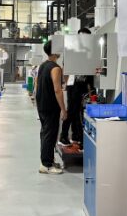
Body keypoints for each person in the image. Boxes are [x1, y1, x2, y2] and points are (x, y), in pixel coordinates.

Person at [35, 40, 67, 174]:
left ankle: (48, 160)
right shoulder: (55, 68)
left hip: (42, 104)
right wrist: (63, 109)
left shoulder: (43, 65)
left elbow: (37, 83)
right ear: (54, 51)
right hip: (51, 106)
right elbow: (57, 90)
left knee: (46, 133)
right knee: (50, 134)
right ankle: (46, 165)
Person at [59, 27, 94, 149]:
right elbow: (65, 68)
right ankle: (63, 136)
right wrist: (66, 83)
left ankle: (76, 135)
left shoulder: (89, 51)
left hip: (83, 85)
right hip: (73, 85)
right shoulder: (72, 50)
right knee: (72, 111)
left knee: (78, 111)